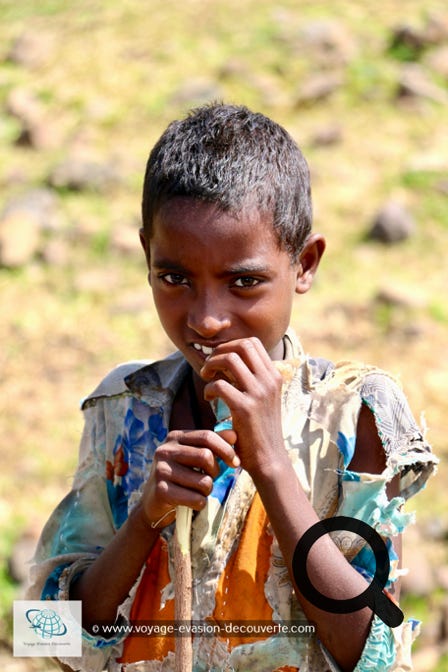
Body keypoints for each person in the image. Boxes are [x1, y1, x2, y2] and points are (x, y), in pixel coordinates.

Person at [27, 103, 437, 672]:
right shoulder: (122, 410)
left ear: (305, 264)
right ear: (146, 254)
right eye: (174, 278)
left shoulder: (354, 415)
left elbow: (378, 657)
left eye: (244, 282)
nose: (207, 319)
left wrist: (271, 465)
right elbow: (42, 635)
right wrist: (146, 515)